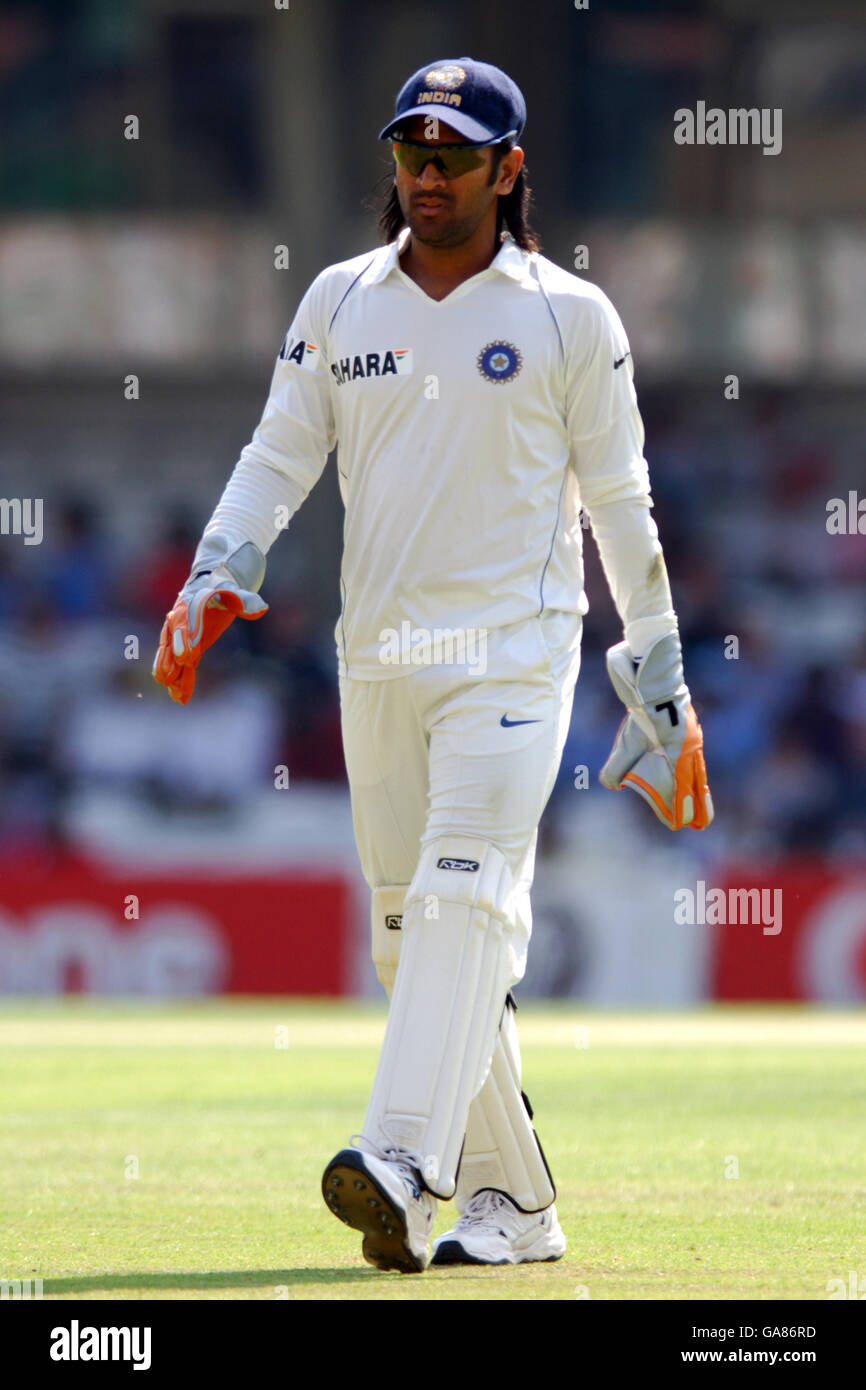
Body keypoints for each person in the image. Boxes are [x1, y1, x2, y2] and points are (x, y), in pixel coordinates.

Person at [153, 57, 713, 1275]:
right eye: (411, 152)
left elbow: (622, 508)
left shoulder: (570, 316)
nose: (426, 176)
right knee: (412, 937)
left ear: (508, 171)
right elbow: (276, 453)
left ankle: (401, 1166)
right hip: (380, 663)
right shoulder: (341, 302)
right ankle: (515, 1204)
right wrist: (213, 575)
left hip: (512, 662)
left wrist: (657, 684)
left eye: (454, 156)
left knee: (464, 895)